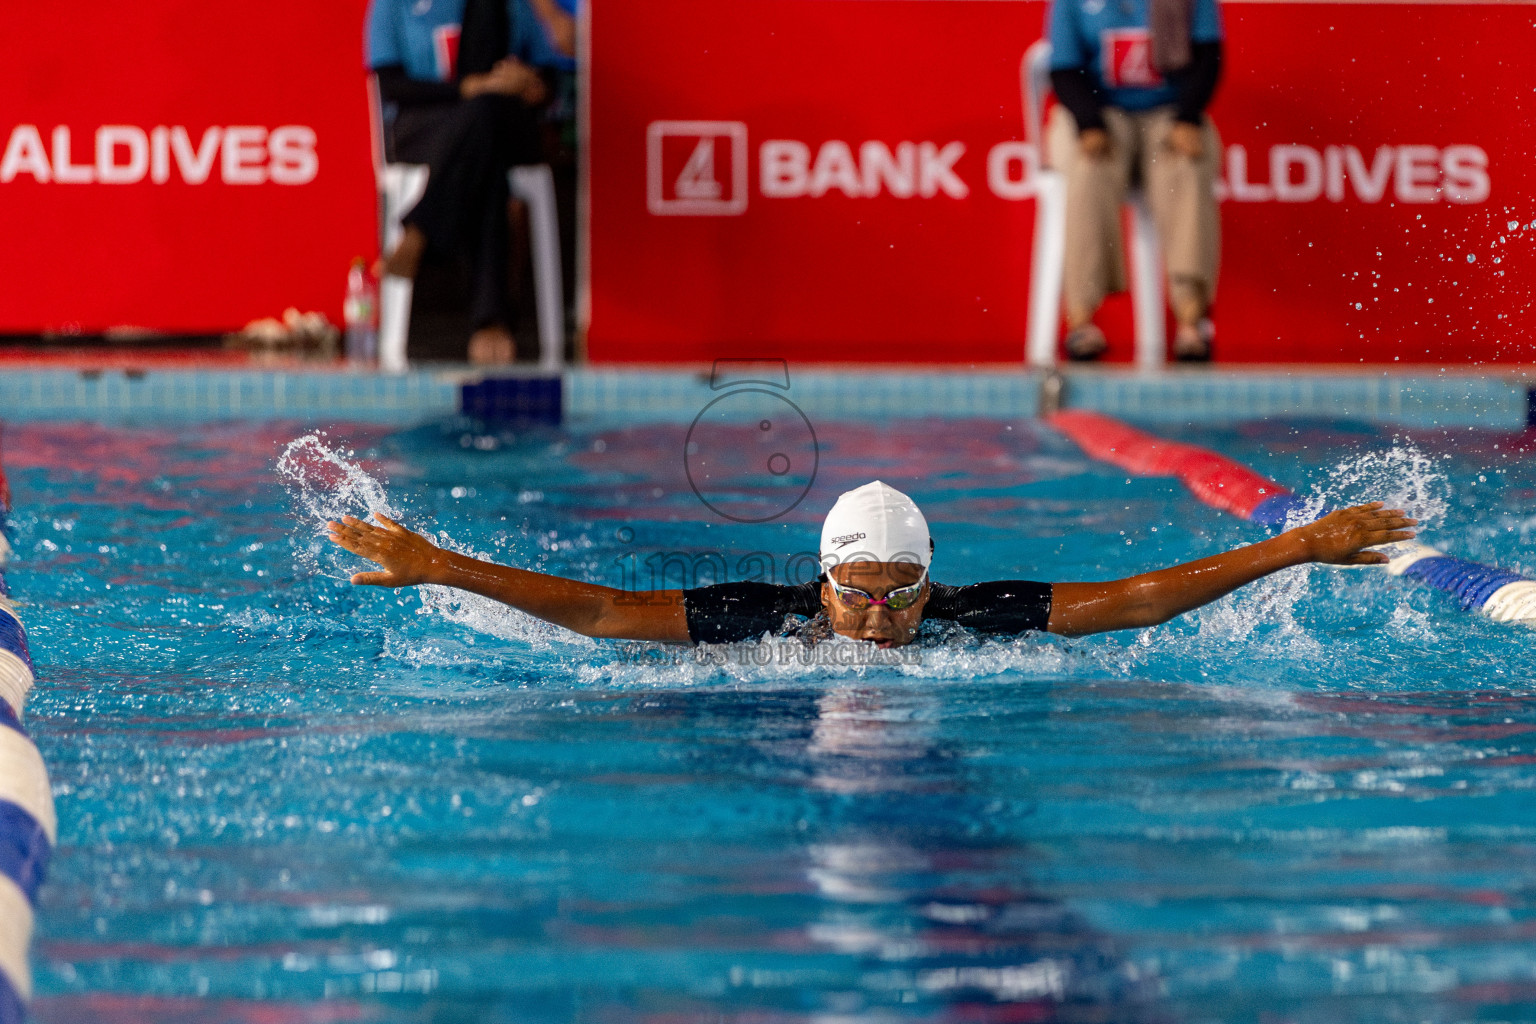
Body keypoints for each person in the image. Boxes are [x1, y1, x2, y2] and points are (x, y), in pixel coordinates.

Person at [326, 481, 1417, 647]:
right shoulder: (767, 616)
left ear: (931, 583)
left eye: (904, 593)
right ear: (825, 579)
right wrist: (441, 563)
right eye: (862, 591)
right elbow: (612, 614)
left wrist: (1297, 544)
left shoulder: (966, 616)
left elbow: (1133, 602)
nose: (883, 618)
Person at [368, 0, 549, 364]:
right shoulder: (393, 5)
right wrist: (466, 88)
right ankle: (490, 321)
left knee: (484, 122)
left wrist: (531, 84)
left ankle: (420, 229)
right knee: (484, 146)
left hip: (500, 119)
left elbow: (548, 81)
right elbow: (391, 85)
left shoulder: (514, 5)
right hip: (425, 122)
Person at [1046, 0, 1224, 361]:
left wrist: (1188, 116)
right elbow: (1064, 69)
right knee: (1088, 169)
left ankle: (1192, 318)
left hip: (1170, 111)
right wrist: (1088, 122)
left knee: (1187, 168)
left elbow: (1208, 59)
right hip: (1099, 110)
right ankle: (1082, 317)